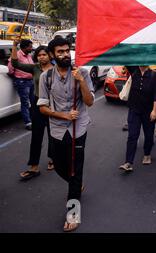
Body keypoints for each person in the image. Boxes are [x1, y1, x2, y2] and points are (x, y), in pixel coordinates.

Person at [37, 36, 94, 232]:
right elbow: (42, 107)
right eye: (60, 52)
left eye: (66, 50)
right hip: (58, 129)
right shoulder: (47, 77)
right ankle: (75, 184)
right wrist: (62, 115)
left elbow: (90, 102)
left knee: (75, 170)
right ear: (52, 55)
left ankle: (73, 215)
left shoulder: (82, 73)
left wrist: (81, 81)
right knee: (61, 167)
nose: (64, 54)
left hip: (79, 129)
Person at [11, 39, 55, 180]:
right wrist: (14, 46)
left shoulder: (56, 69)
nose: (41, 57)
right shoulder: (35, 67)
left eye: (44, 54)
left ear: (50, 55)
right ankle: (34, 166)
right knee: (36, 136)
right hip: (37, 104)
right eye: (39, 55)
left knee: (52, 134)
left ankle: (53, 159)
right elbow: (15, 64)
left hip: (52, 105)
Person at [119, 66, 156, 172]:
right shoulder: (134, 71)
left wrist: (154, 110)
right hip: (134, 109)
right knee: (132, 135)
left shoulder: (154, 75)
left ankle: (147, 154)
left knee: (149, 135)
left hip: (148, 111)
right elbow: (125, 57)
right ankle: (128, 162)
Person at [8, 39, 34, 130]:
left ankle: (34, 119)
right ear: (25, 47)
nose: (31, 48)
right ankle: (28, 122)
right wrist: (15, 77)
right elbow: (11, 68)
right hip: (22, 82)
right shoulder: (17, 55)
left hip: (30, 81)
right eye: (30, 47)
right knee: (25, 103)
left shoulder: (29, 55)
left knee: (33, 101)